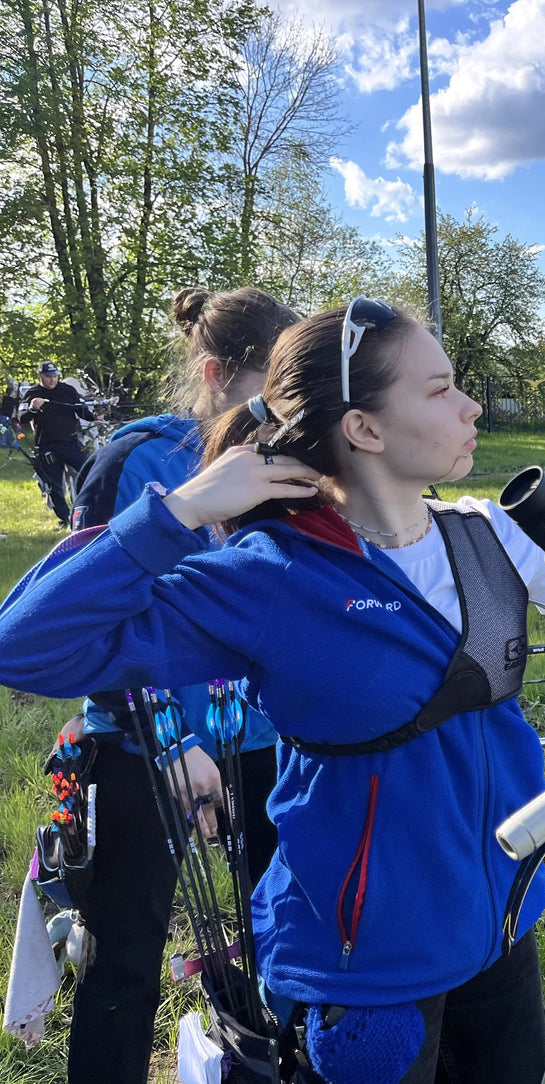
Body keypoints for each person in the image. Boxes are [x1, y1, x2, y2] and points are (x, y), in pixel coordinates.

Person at [0, 298, 545, 1084]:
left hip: (501, 923)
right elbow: (25, 645)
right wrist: (186, 509)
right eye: (438, 391)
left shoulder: (487, 532)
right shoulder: (270, 576)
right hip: (363, 962)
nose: (470, 405)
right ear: (364, 430)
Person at [61, 286, 299, 1084]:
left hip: (271, 743)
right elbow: (94, 615)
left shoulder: (287, 461)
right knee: (125, 961)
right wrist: (175, 741)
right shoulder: (139, 461)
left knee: (288, 939)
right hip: (146, 749)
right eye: (272, 387)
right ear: (214, 374)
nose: (284, 410)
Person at [19, 360, 94, 528]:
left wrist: (97, 413)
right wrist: (32, 408)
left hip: (70, 443)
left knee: (90, 471)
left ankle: (90, 510)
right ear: (40, 375)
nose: (52, 380)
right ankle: (65, 518)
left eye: (55, 376)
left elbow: (84, 412)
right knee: (54, 485)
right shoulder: (33, 393)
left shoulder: (68, 390)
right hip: (47, 447)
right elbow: (22, 417)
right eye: (48, 376)